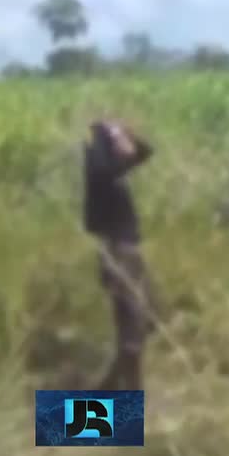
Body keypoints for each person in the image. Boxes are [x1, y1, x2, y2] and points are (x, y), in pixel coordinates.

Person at [83, 120, 157, 391]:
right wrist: (110, 136)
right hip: (117, 252)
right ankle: (126, 392)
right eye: (113, 140)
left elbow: (145, 151)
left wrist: (125, 133)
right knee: (133, 323)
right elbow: (109, 164)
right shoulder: (100, 170)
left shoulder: (113, 168)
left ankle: (111, 387)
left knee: (140, 323)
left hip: (128, 252)